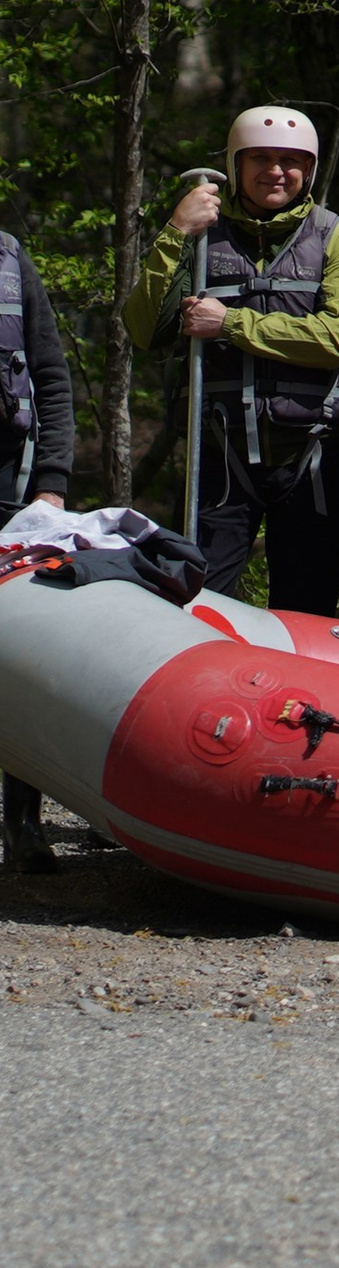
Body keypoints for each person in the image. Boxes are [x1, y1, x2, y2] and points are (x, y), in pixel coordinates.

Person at [124, 105, 339, 614]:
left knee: (307, 612)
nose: (276, 171)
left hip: (312, 456)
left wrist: (231, 324)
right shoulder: (201, 232)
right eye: (261, 158)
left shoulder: (335, 237)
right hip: (221, 453)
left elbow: (337, 339)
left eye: (290, 160)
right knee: (200, 606)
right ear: (236, 164)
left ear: (310, 168)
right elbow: (145, 330)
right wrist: (175, 232)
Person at [0, 224, 77, 874]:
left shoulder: (9, 256)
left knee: (18, 658)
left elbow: (50, 375)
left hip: (14, 491)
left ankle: (22, 821)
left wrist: (51, 485)